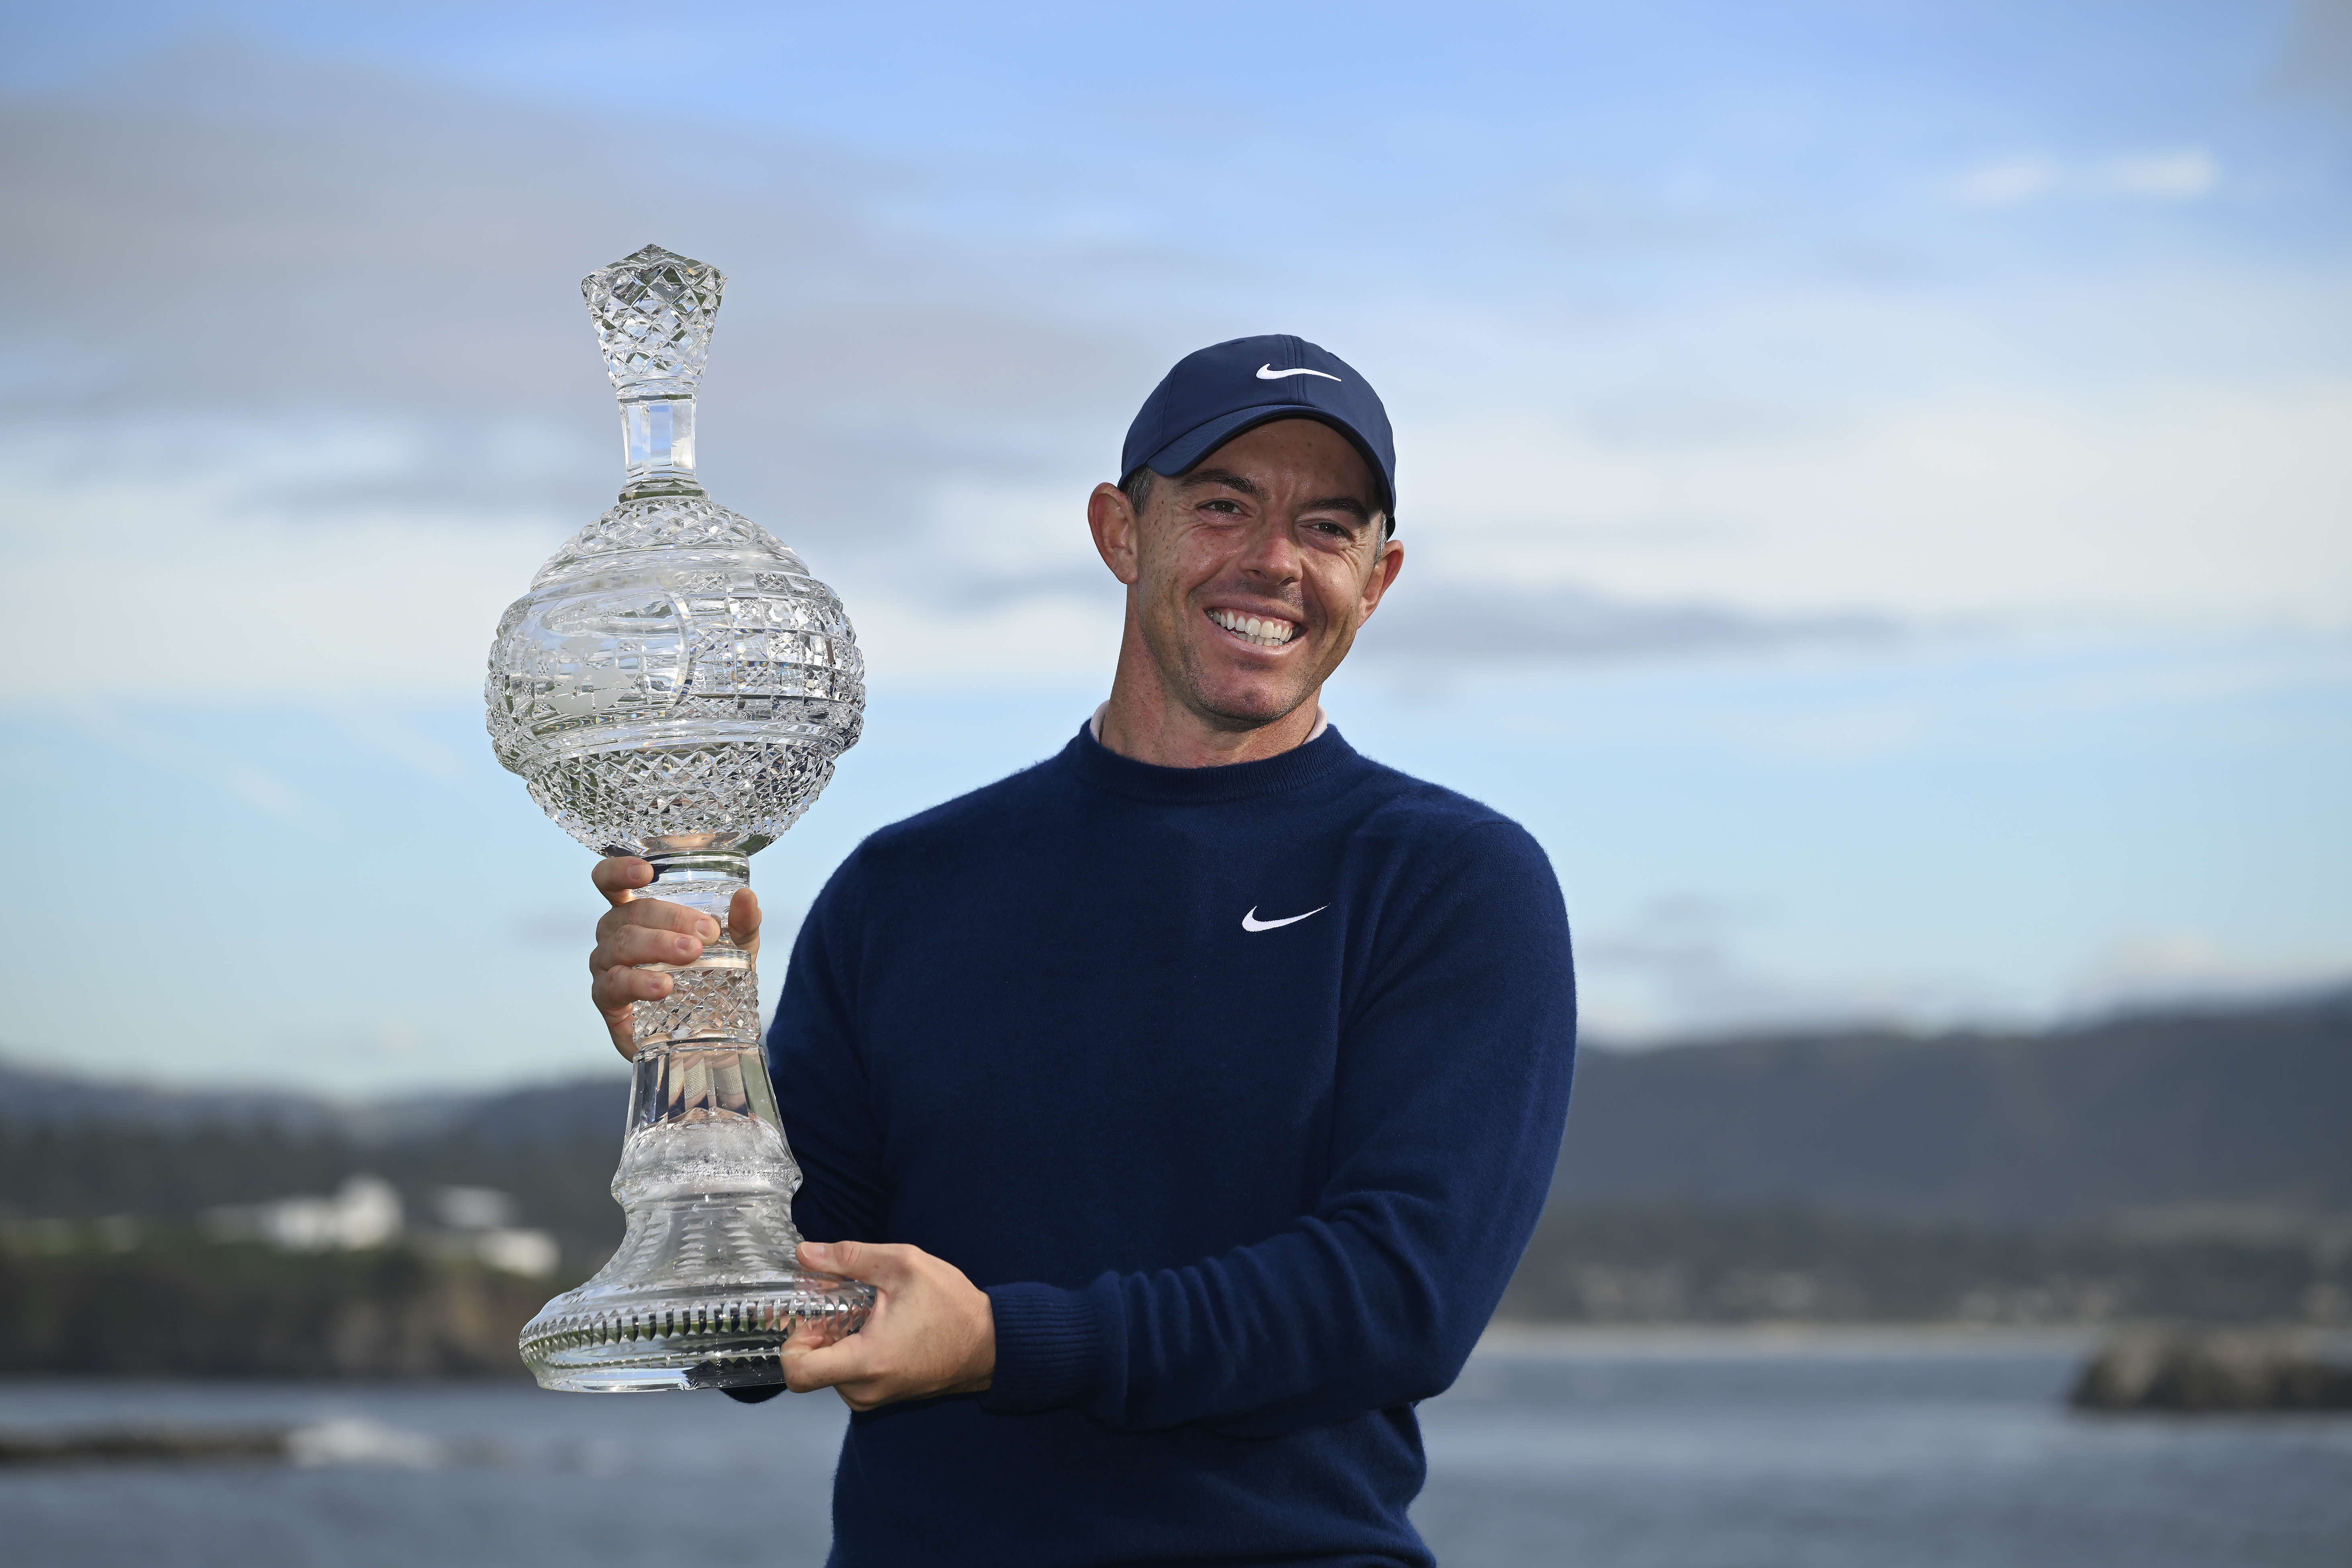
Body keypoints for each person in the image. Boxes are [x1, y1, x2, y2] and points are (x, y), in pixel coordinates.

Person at [586, 335, 1577, 1566]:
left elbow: (1397, 1302)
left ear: (1377, 581)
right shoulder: (908, 886)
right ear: (1121, 530)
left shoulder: (1445, 880)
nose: (1273, 560)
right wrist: (695, 1065)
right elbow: (746, 1323)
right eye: (1223, 506)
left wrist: (1001, 1341)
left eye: (1328, 528)